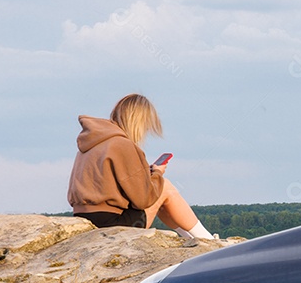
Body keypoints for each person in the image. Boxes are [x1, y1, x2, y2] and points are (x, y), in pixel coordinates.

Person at [67, 94, 216, 239]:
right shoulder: (122, 145)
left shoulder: (90, 145)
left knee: (162, 197)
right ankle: (207, 240)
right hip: (112, 224)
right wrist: (157, 174)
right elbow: (145, 199)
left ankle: (193, 239)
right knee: (164, 188)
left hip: (85, 218)